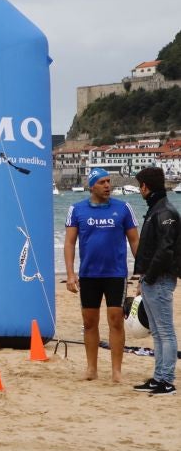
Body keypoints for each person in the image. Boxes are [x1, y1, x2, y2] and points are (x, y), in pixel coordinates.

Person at [64, 167, 139, 382]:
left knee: (116, 320)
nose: (108, 185)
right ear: (91, 186)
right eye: (102, 182)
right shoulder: (76, 209)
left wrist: (141, 270)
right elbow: (69, 243)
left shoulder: (123, 208)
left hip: (115, 273)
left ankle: (116, 370)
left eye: (108, 181)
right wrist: (70, 274)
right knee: (89, 322)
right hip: (88, 275)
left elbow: (134, 240)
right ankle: (91, 368)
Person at [132, 166, 180, 396]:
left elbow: (166, 250)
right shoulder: (157, 209)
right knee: (158, 332)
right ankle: (159, 377)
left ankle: (167, 381)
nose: (139, 189)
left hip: (159, 279)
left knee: (165, 331)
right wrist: (143, 277)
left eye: (139, 185)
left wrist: (149, 276)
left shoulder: (165, 212)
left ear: (145, 186)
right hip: (152, 278)